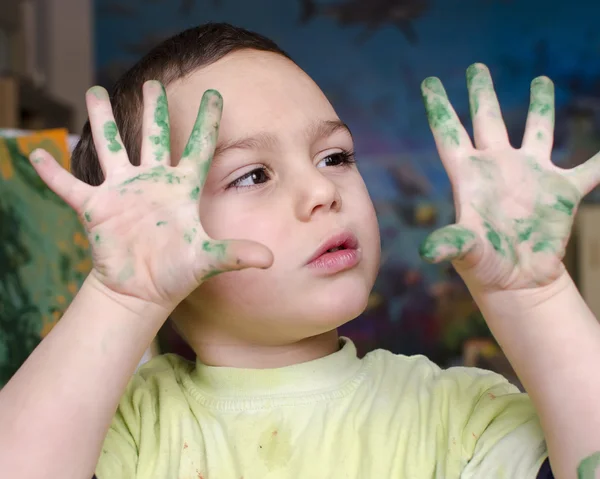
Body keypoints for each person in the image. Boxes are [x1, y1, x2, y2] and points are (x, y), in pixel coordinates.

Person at [1, 22, 599, 479]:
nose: (322, 191)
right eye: (252, 175)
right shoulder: (125, 431)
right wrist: (122, 296)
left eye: (335, 157)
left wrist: (533, 296)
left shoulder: (458, 417)